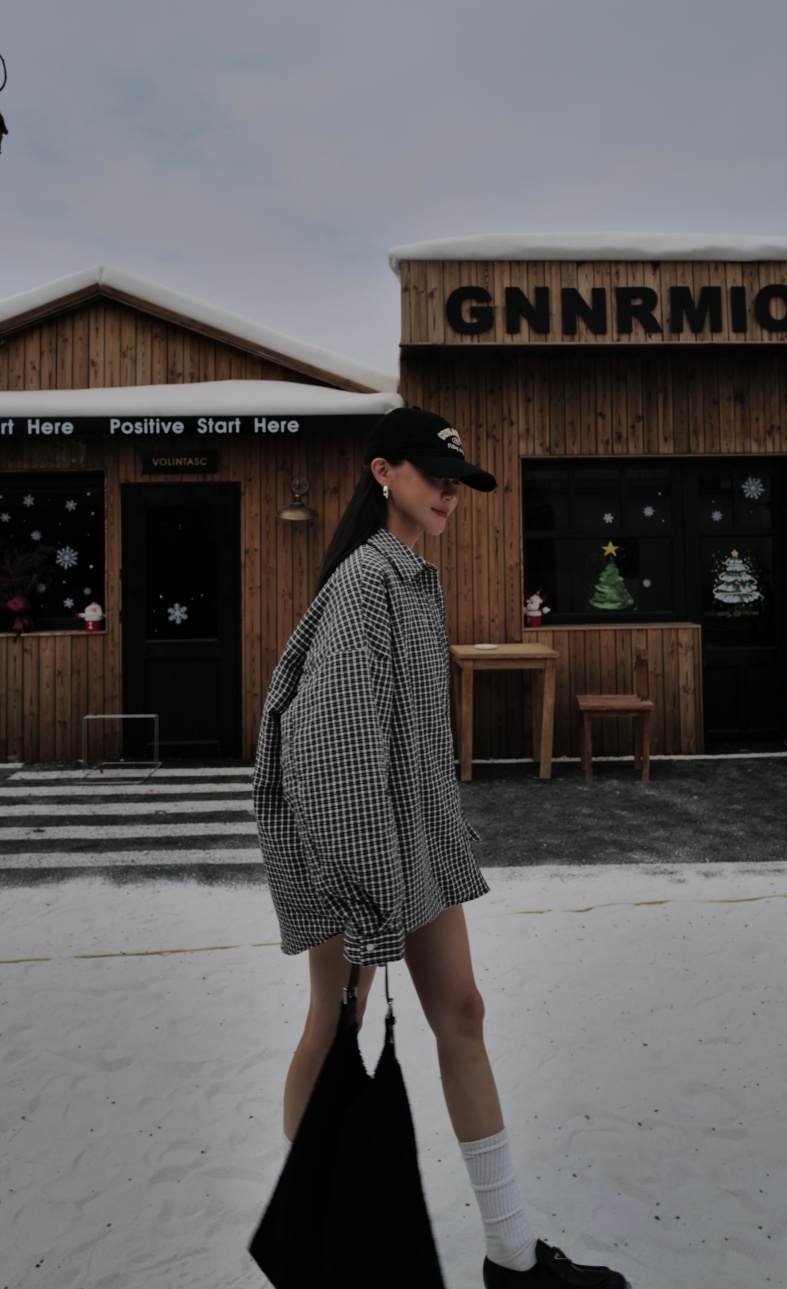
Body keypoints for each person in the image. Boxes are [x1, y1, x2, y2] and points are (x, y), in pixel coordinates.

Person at [253, 407, 629, 1289]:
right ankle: (312, 1242)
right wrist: (367, 887)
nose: (450, 491)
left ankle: (512, 1257)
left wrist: (420, 847)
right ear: (383, 472)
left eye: (458, 480)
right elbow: (330, 746)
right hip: (357, 850)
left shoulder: (411, 575)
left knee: (461, 1012)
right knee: (336, 1027)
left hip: (412, 841)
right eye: (434, 474)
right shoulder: (366, 582)